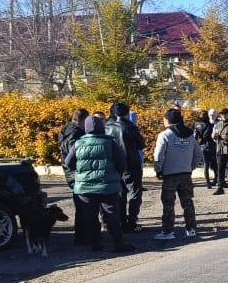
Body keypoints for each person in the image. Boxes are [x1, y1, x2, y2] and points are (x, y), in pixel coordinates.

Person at [64, 115, 134, 253]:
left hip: (84, 188)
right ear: (102, 128)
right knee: (112, 215)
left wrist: (81, 171)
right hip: (107, 186)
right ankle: (118, 243)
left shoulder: (78, 143)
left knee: (90, 217)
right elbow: (122, 163)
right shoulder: (110, 143)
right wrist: (115, 174)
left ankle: (95, 244)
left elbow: (68, 163)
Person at [153, 108, 203, 240]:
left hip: (170, 175)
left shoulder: (164, 135)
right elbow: (199, 154)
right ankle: (191, 229)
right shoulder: (190, 135)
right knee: (187, 203)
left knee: (168, 204)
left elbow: (158, 156)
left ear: (167, 120)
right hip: (186, 174)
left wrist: (158, 170)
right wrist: (190, 167)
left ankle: (168, 231)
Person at [105, 102, 145, 231]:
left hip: (115, 164)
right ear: (127, 113)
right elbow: (141, 144)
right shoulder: (130, 127)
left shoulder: (107, 127)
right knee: (135, 193)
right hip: (132, 163)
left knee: (120, 193)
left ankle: (121, 220)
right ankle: (132, 221)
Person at [58, 108, 90, 245]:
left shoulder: (65, 130)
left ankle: (82, 236)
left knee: (81, 204)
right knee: (83, 205)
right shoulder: (75, 132)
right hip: (76, 173)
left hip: (70, 172)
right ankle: (83, 236)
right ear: (83, 120)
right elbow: (74, 154)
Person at [194, 110, 217, 188]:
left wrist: (198, 143)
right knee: (214, 163)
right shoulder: (210, 124)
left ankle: (208, 183)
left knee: (206, 165)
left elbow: (195, 136)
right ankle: (215, 179)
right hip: (211, 145)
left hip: (202, 146)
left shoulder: (197, 125)